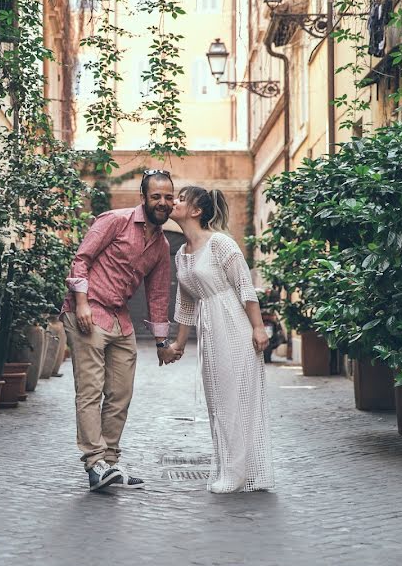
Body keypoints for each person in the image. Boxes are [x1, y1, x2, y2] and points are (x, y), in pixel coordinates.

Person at [61, 169, 180, 491]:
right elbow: (81, 259)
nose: (163, 202)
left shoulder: (161, 245)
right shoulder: (115, 220)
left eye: (168, 197)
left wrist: (161, 341)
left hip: (120, 319)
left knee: (120, 394)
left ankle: (110, 463)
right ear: (143, 198)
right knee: (89, 391)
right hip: (89, 311)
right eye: (156, 196)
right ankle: (94, 462)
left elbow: (157, 295)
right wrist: (82, 303)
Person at [167, 186, 275, 493]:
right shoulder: (182, 254)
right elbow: (186, 302)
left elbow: (244, 286)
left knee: (236, 400)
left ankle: (239, 473)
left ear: (196, 211)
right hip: (210, 330)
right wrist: (178, 342)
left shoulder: (220, 244)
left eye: (180, 200)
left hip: (234, 324)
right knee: (218, 401)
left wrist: (257, 328)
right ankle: (233, 469)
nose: (173, 203)